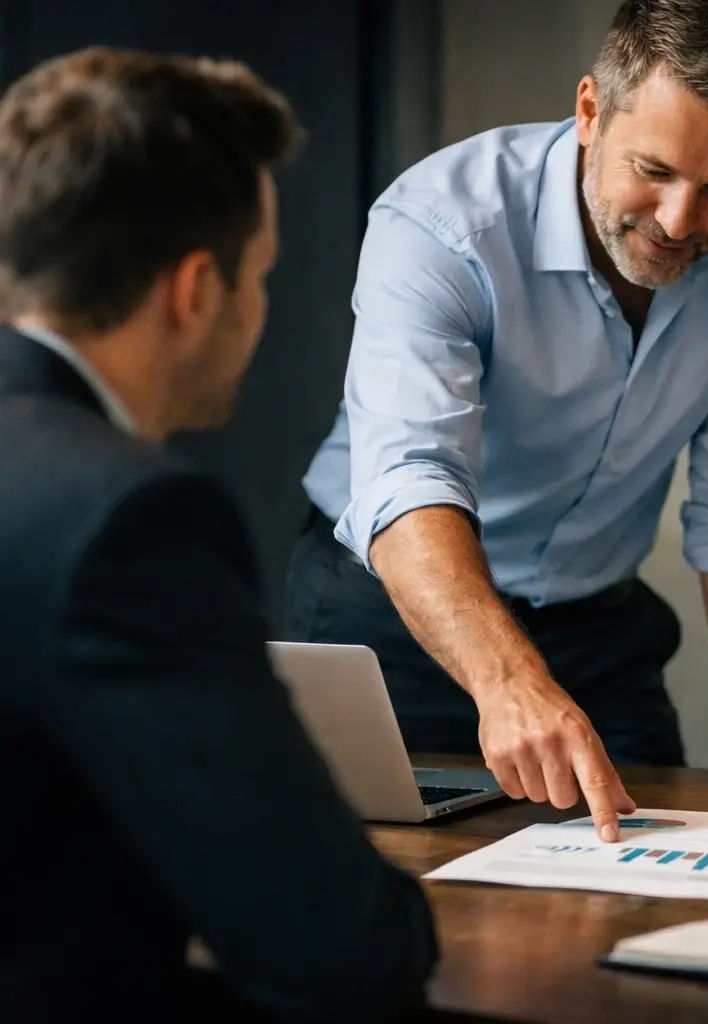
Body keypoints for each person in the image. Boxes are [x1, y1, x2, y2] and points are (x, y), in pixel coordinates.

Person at [288, 0, 708, 842]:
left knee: (649, 897)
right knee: (388, 902)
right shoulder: (439, 223)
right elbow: (408, 475)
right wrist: (505, 683)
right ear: (588, 112)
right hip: (398, 614)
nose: (681, 221)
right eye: (654, 170)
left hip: (598, 624)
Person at [0, 48, 437, 1018]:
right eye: (261, 277)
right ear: (196, 290)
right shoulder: (128, 520)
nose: (261, 307)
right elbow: (338, 946)